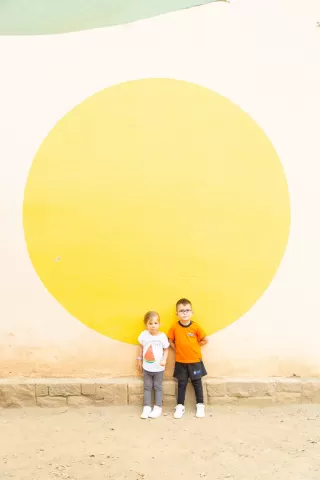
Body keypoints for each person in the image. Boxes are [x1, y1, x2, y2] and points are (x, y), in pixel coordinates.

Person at [168, 298, 209, 419]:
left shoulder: (196, 327)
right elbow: (170, 340)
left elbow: (205, 340)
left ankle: (200, 405)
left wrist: (196, 346)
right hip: (181, 362)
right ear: (177, 314)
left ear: (192, 313)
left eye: (187, 310)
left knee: (197, 383)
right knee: (182, 384)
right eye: (181, 311)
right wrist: (177, 349)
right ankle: (180, 406)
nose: (185, 313)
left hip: (195, 361)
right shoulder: (174, 327)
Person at [137, 311, 169, 419]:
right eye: (150, 323)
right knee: (147, 387)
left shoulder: (162, 336)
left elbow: (166, 349)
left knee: (158, 387)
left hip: (159, 368)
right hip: (147, 367)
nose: (153, 326)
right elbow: (140, 347)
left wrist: (164, 359)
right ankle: (146, 407)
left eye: (155, 323)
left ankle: (158, 407)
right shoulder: (144, 335)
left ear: (159, 324)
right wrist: (138, 360)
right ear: (146, 325)